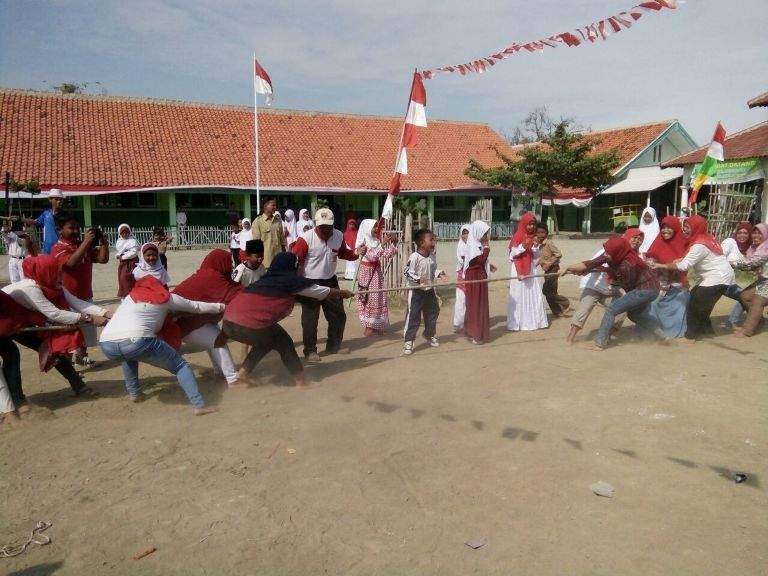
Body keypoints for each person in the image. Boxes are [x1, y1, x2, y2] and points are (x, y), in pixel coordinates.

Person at [223, 252, 352, 386]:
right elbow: (322, 292)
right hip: (248, 323)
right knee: (284, 342)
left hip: (228, 324)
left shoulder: (264, 280)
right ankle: (301, 381)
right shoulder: (290, 282)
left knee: (265, 342)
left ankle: (241, 376)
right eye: (298, 265)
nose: (299, 267)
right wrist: (344, 293)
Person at [99, 276, 222, 415]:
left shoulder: (129, 297)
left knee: (127, 356)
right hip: (137, 339)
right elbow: (196, 307)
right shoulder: (166, 297)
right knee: (180, 366)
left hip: (106, 343)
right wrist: (221, 307)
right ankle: (199, 405)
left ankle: (135, 393)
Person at [3, 255, 109, 402]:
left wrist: (106, 313)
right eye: (56, 272)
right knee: (11, 355)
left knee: (52, 350)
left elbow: (77, 303)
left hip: (22, 321)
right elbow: (54, 314)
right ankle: (18, 401)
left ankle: (79, 387)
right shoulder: (30, 288)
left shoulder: (51, 284)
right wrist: (89, 318)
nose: (61, 276)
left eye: (60, 272)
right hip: (5, 322)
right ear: (45, 273)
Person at [564, 236, 661, 350]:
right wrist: (568, 269)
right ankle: (663, 336)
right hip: (649, 288)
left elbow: (625, 285)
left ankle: (599, 343)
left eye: (608, 252)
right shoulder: (614, 254)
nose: (605, 254)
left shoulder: (627, 265)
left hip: (645, 290)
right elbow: (592, 263)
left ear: (618, 252)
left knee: (612, 309)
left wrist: (600, 270)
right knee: (634, 314)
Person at [291, 208, 361, 362]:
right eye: (322, 226)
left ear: (333, 224)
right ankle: (310, 351)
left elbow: (343, 253)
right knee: (310, 319)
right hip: (309, 282)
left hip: (330, 280)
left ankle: (334, 345)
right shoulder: (305, 239)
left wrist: (356, 253)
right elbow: (294, 260)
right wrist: (296, 283)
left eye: (329, 226)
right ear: (316, 225)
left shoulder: (338, 235)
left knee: (338, 316)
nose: (326, 230)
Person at [649, 215, 734, 341]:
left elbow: (684, 266)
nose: (685, 230)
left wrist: (660, 265)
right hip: (718, 276)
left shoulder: (698, 244)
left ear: (696, 228)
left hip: (716, 278)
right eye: (684, 227)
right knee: (699, 301)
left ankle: (690, 336)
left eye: (688, 227)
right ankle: (707, 331)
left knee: (695, 304)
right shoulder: (706, 239)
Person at [173, 249, 243, 387]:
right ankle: (233, 379)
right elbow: (232, 294)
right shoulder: (212, 278)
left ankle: (220, 372)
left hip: (186, 320)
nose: (231, 265)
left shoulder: (206, 274)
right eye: (228, 262)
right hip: (183, 323)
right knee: (217, 340)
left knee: (211, 338)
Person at [52, 212, 109, 366]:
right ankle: (67, 364)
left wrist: (103, 243)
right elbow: (71, 263)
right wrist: (86, 243)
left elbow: (102, 259)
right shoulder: (58, 248)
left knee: (86, 330)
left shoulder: (82, 245)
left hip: (85, 295)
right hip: (68, 299)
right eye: (71, 228)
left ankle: (81, 358)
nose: (76, 231)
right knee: (70, 332)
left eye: (77, 227)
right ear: (60, 230)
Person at [644, 216, 690, 339]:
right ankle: (654, 332)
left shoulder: (684, 244)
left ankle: (677, 332)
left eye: (669, 227)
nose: (665, 230)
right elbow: (650, 262)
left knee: (683, 301)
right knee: (652, 303)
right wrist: (653, 263)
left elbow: (684, 265)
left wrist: (674, 265)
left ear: (675, 228)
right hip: (660, 282)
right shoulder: (657, 243)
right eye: (663, 227)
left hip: (678, 282)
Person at [403, 228, 445, 356]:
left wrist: (439, 273)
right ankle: (409, 340)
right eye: (431, 240)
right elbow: (407, 272)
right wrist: (418, 279)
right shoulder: (414, 257)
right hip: (416, 292)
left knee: (433, 312)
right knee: (414, 315)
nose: (434, 242)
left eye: (434, 239)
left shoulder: (431, 256)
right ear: (421, 243)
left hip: (429, 291)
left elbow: (433, 270)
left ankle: (429, 334)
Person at [355, 219, 398, 336]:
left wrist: (393, 243)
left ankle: (375, 327)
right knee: (370, 299)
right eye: (373, 227)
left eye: (376, 227)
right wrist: (383, 244)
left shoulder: (376, 241)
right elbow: (372, 256)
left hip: (376, 274)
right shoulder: (362, 243)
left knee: (378, 298)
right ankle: (368, 329)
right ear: (367, 229)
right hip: (367, 274)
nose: (376, 229)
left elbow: (387, 255)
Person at [507, 212, 548, 331]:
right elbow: (512, 254)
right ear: (524, 224)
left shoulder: (534, 236)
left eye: (533, 224)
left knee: (532, 293)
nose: (531, 227)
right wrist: (523, 246)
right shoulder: (518, 236)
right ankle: (518, 323)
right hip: (518, 267)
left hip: (530, 268)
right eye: (529, 224)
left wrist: (535, 247)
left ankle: (533, 322)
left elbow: (536, 256)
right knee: (519, 294)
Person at [463, 221, 496, 345]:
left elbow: (481, 262)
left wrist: (489, 266)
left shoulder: (478, 244)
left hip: (479, 275)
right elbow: (478, 261)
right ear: (478, 233)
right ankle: (474, 333)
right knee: (475, 304)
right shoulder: (473, 245)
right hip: (474, 277)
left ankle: (479, 332)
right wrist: (487, 249)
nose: (486, 237)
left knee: (480, 304)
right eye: (484, 234)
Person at [734, 223, 768, 337]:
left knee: (758, 301)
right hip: (763, 280)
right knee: (745, 296)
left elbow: (752, 263)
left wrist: (733, 263)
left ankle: (747, 330)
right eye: (754, 233)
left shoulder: (766, 248)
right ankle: (759, 321)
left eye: (760, 233)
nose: (756, 236)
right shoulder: (753, 248)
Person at [721, 221, 753, 327]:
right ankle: (733, 321)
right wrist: (733, 264)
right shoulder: (730, 242)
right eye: (740, 232)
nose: (742, 235)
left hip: (733, 282)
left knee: (748, 297)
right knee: (746, 297)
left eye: (745, 233)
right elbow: (719, 256)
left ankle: (733, 321)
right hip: (721, 280)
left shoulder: (750, 249)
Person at [536, 223, 570, 317]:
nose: (540, 235)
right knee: (551, 292)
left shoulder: (549, 243)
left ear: (546, 233)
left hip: (553, 269)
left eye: (543, 232)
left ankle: (565, 302)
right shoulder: (538, 245)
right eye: (538, 233)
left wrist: (549, 263)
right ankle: (558, 311)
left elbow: (558, 254)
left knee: (546, 291)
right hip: (547, 270)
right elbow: (541, 258)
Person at [23, 188, 65, 254]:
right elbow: (35, 222)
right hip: (47, 248)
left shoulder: (65, 215)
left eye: (60, 199)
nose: (59, 201)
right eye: (56, 199)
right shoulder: (46, 214)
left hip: (60, 247)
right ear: (50, 200)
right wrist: (21, 219)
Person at [252, 198, 285, 267]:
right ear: (265, 206)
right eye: (273, 205)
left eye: (275, 205)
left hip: (278, 259)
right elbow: (256, 243)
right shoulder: (258, 222)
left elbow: (282, 240)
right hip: (266, 261)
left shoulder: (278, 221)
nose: (275, 207)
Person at [452, 225, 471, 333]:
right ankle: (458, 323)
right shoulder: (461, 246)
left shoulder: (473, 245)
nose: (466, 235)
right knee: (461, 299)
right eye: (464, 233)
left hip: (471, 275)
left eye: (468, 233)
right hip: (463, 275)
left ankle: (468, 322)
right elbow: (463, 260)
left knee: (470, 300)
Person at [115, 223, 139, 298]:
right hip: (123, 263)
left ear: (129, 232)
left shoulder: (132, 241)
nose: (125, 234)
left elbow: (134, 252)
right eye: (122, 233)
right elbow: (119, 251)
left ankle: (132, 294)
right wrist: (118, 255)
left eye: (126, 232)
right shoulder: (119, 241)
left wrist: (123, 257)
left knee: (130, 278)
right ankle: (124, 294)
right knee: (122, 278)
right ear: (120, 233)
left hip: (132, 262)